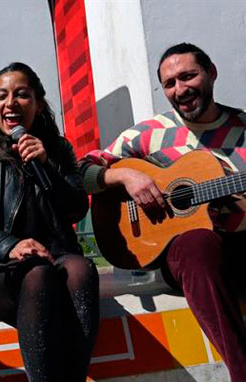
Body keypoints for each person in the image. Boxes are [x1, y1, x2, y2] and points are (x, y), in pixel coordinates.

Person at [79, 43, 246, 381]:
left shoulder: (242, 127)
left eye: (188, 77)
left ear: (211, 73)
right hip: (188, 255)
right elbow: (80, 171)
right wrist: (124, 175)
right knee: (198, 243)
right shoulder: (150, 133)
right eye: (170, 83)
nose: (180, 90)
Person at [0, 62, 99, 382]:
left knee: (83, 271)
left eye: (22, 95)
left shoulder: (58, 149)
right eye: (2, 96)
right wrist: (11, 245)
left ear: (38, 104)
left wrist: (48, 165)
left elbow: (75, 210)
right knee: (38, 275)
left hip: (54, 256)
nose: (10, 103)